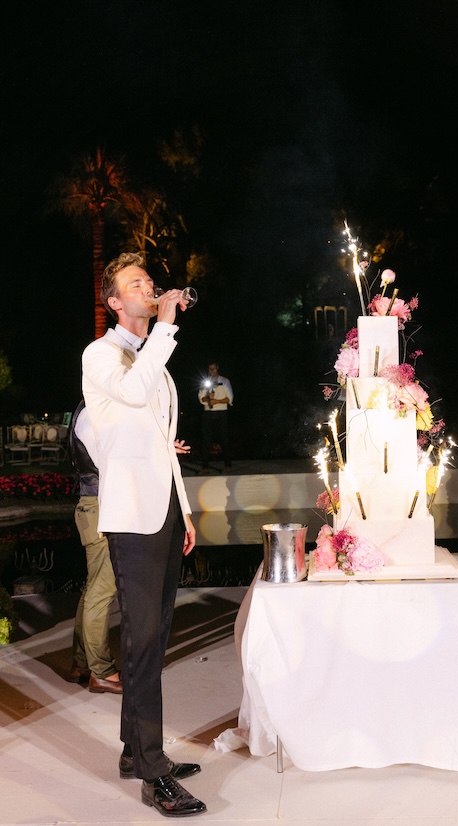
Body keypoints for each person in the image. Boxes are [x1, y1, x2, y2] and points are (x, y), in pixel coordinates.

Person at [81, 252, 206, 817]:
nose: (151, 289)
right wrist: (167, 327)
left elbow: (159, 439)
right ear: (114, 302)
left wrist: (183, 512)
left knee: (153, 638)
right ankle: (154, 774)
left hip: (162, 514)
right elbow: (132, 395)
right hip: (131, 519)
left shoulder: (148, 357)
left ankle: (137, 752)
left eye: (151, 282)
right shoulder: (101, 354)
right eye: (138, 284)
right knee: (142, 642)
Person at [68, 400, 122, 694]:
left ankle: (81, 663)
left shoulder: (86, 412)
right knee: (102, 590)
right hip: (99, 507)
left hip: (94, 506)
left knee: (94, 588)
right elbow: (112, 462)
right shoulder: (92, 417)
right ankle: (101, 671)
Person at [197, 362, 233, 474]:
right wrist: (208, 399)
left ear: (217, 368)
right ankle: (205, 467)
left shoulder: (225, 381)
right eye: (210, 369)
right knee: (206, 441)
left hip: (221, 413)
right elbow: (201, 398)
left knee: (224, 439)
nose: (212, 371)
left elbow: (229, 398)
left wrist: (217, 401)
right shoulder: (205, 382)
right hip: (208, 413)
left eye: (214, 369)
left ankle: (228, 466)